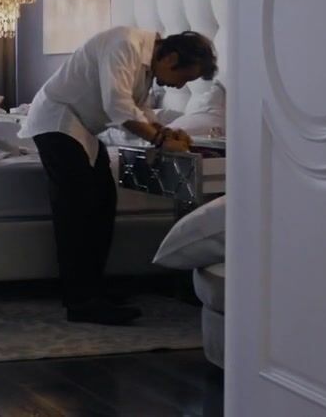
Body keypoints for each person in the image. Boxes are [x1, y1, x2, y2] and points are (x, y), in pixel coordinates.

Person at [20, 27, 218, 325]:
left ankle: (92, 288)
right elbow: (117, 105)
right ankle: (81, 301)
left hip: (82, 128)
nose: (180, 86)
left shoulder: (146, 65)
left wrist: (164, 131)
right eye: (184, 78)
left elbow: (139, 109)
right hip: (57, 121)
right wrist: (159, 140)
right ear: (171, 58)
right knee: (77, 210)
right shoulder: (124, 45)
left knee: (102, 202)